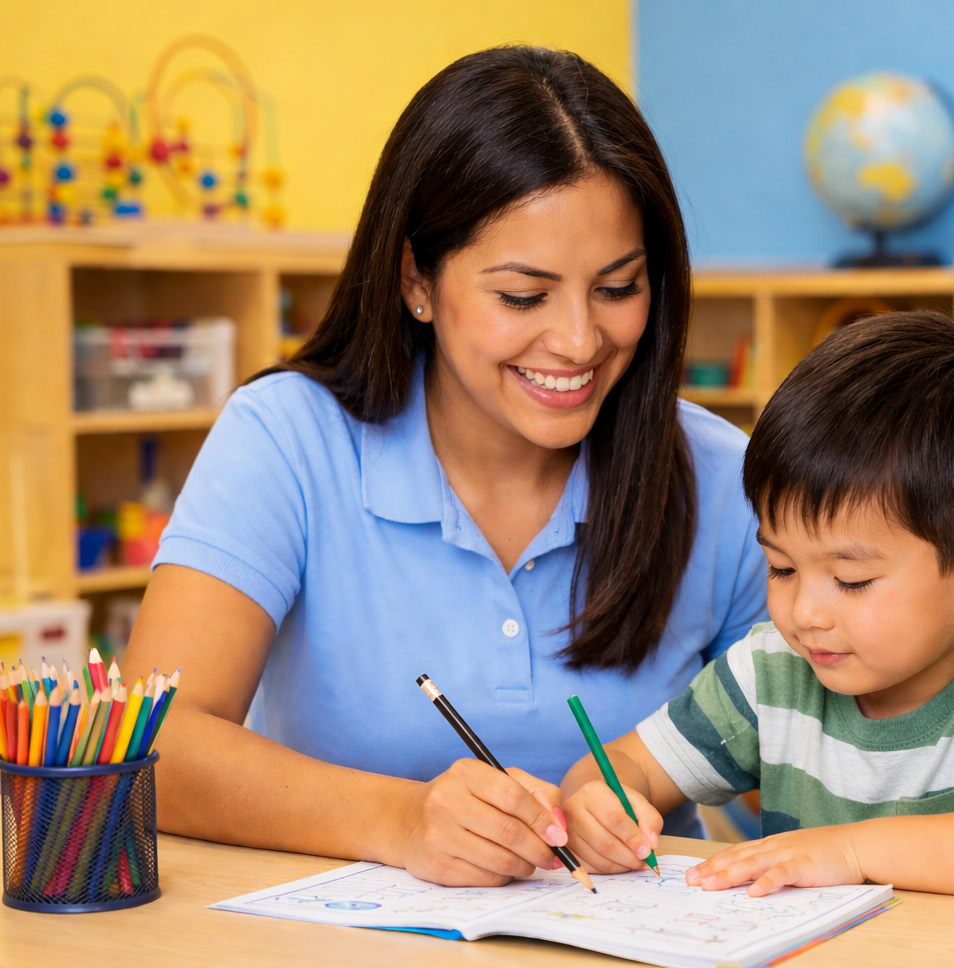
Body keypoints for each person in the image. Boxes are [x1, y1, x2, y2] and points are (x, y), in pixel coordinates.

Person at [123, 46, 766, 887]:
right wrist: (399, 820)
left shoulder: (720, 476)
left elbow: (828, 745)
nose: (579, 341)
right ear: (416, 281)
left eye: (618, 288)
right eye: (523, 296)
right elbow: (151, 746)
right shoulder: (287, 438)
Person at [560, 309, 954, 898]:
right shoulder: (772, 672)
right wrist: (600, 801)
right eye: (781, 568)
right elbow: (623, 764)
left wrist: (850, 848)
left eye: (851, 580)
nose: (804, 614)